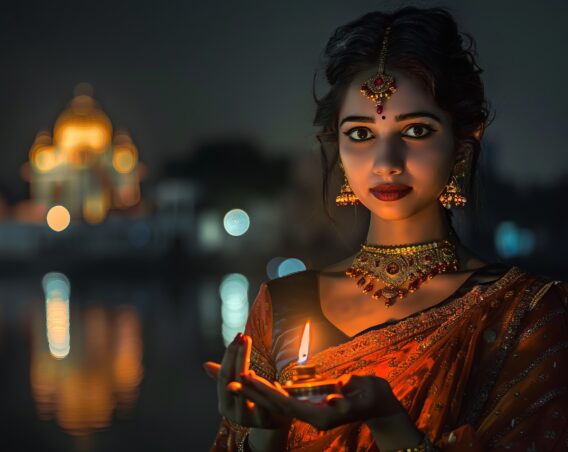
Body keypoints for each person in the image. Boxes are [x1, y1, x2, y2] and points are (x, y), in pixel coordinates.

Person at [203, 6, 568, 451]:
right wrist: (267, 429)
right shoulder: (281, 304)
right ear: (335, 147)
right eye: (360, 134)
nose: (386, 163)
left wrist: (389, 422)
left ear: (464, 141)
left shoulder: (525, 313)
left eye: (416, 130)